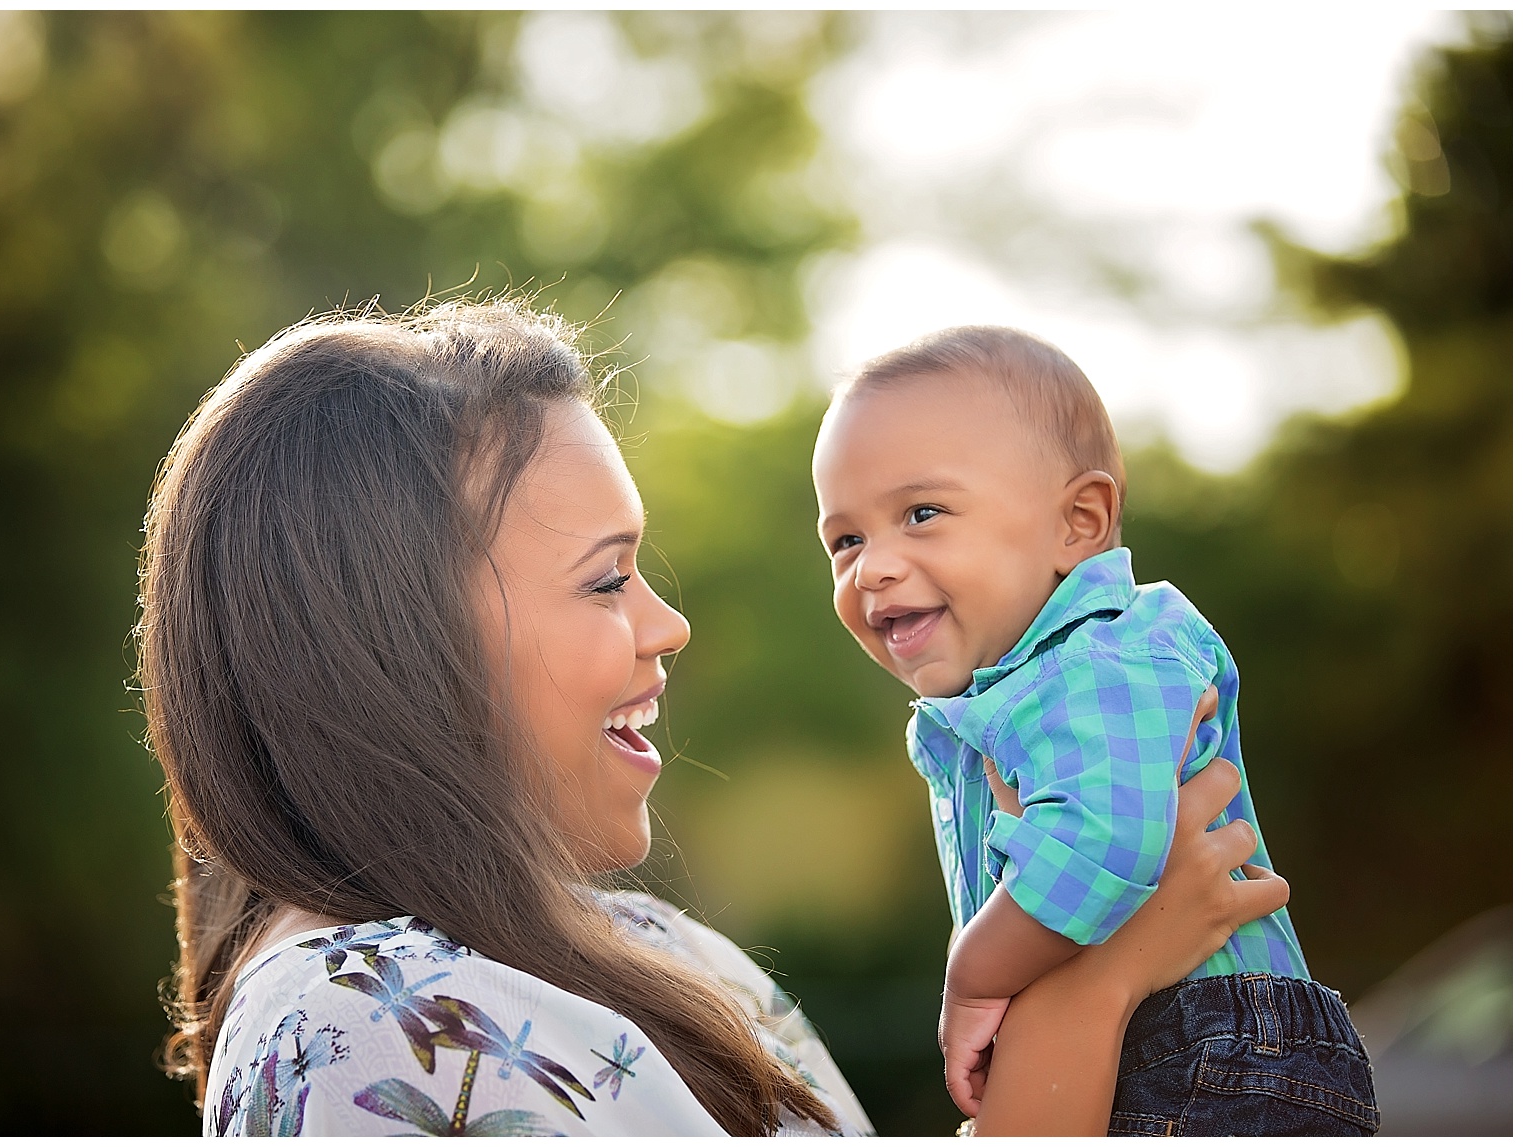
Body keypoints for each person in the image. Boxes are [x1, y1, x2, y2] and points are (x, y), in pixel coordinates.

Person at [138, 300, 1289, 1136]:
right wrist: (1096, 981)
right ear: (387, 640)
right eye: (605, 579)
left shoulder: (657, 955)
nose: (668, 624)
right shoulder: (364, 1028)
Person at [811, 325, 1378, 1135]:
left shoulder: (1101, 654)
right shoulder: (1014, 690)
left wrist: (973, 975)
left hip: (1218, 1053)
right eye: (846, 539)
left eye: (922, 512)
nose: (871, 566)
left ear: (1077, 522)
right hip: (1159, 1044)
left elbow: (1105, 838)